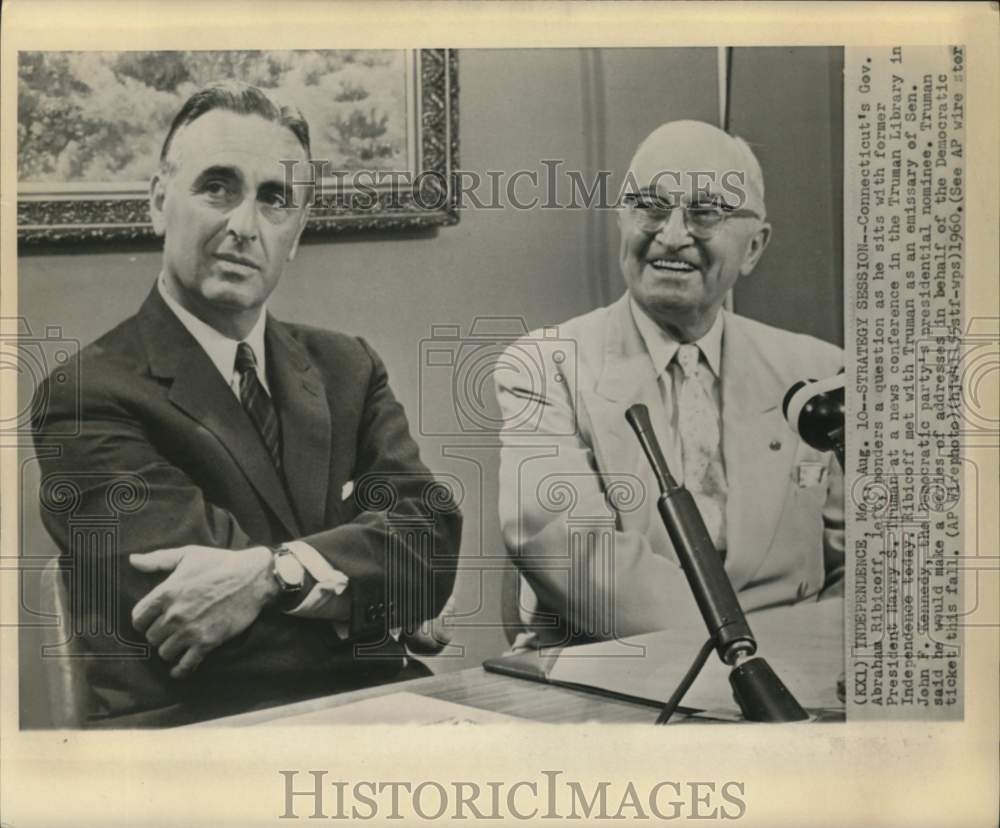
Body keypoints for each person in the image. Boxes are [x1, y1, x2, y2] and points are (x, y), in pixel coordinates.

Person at [31, 82, 461, 726]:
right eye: (217, 187)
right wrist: (375, 602)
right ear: (158, 203)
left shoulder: (349, 367)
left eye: (274, 199)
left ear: (295, 234)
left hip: (376, 713)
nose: (243, 225)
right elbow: (197, 630)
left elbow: (432, 548)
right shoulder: (87, 395)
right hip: (195, 738)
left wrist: (272, 576)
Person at [494, 120, 843, 649]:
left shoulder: (818, 371)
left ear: (754, 247)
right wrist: (742, 652)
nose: (673, 235)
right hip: (620, 671)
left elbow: (870, 559)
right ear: (622, 221)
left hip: (802, 670)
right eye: (650, 207)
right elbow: (572, 554)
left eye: (706, 212)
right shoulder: (544, 368)